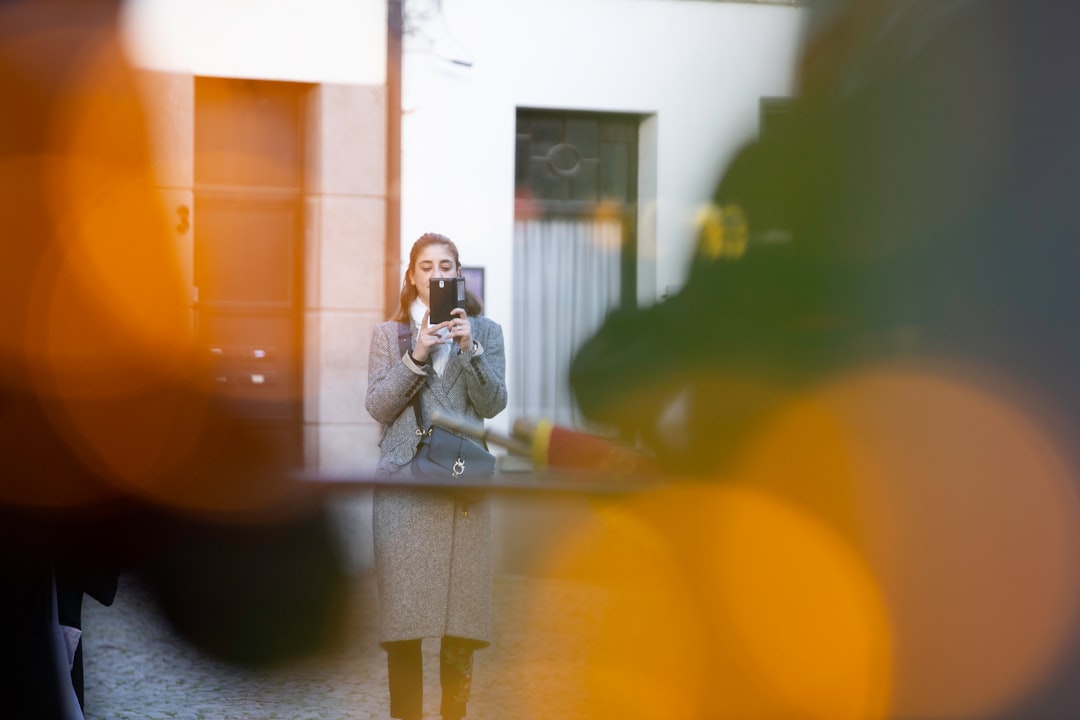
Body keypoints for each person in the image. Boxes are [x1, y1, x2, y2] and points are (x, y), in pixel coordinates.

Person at [365, 232, 507, 720]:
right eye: (426, 266)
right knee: (404, 626)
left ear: (458, 276)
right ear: (411, 276)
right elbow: (379, 407)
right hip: (404, 487)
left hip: (462, 487)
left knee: (459, 628)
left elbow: (493, 404)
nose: (436, 274)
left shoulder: (485, 332)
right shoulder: (390, 336)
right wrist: (417, 355)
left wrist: (470, 351)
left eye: (446, 265)